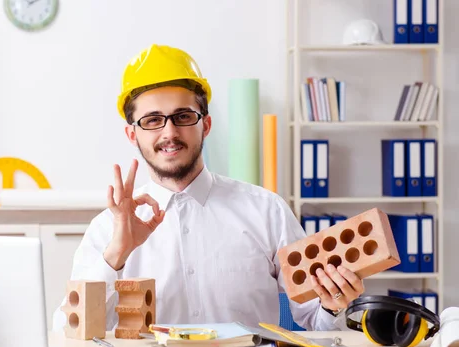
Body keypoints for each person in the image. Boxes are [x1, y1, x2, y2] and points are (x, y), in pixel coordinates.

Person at [52, 44, 364, 332]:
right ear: (132, 135)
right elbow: (66, 331)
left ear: (206, 125)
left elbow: (316, 322)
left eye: (183, 116)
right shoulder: (107, 229)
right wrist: (116, 255)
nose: (169, 132)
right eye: (152, 120)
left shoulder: (266, 211)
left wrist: (332, 304)